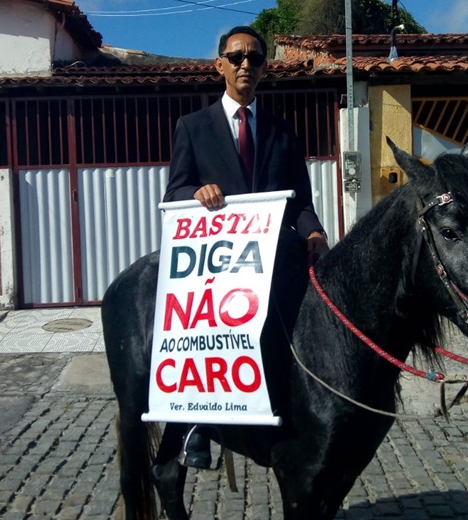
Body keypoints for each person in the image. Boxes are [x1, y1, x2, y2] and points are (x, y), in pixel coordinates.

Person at [163, 26, 329, 469]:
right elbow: (175, 189)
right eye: (236, 57)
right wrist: (196, 193)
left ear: (264, 68)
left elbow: (302, 202)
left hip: (275, 258)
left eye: (255, 59)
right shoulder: (193, 128)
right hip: (218, 265)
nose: (245, 65)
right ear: (219, 64)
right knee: (198, 331)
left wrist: (315, 232)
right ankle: (194, 424)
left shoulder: (281, 131)